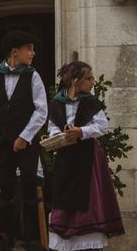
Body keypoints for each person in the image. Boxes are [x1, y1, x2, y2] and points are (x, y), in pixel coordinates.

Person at [47, 61, 125, 251]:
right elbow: (52, 126)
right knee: (65, 194)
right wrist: (58, 135)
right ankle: (66, 243)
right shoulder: (57, 102)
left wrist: (81, 131)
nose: (92, 82)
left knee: (89, 197)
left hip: (88, 158)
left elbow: (102, 126)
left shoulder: (90, 102)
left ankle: (88, 244)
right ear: (76, 80)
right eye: (89, 78)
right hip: (66, 157)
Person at [0, 31, 48, 251]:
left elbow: (41, 111)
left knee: (30, 185)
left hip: (27, 143)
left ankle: (31, 240)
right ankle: (5, 238)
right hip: (3, 141)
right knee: (5, 188)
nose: (33, 53)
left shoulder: (33, 76)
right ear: (14, 52)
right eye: (29, 48)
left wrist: (25, 136)